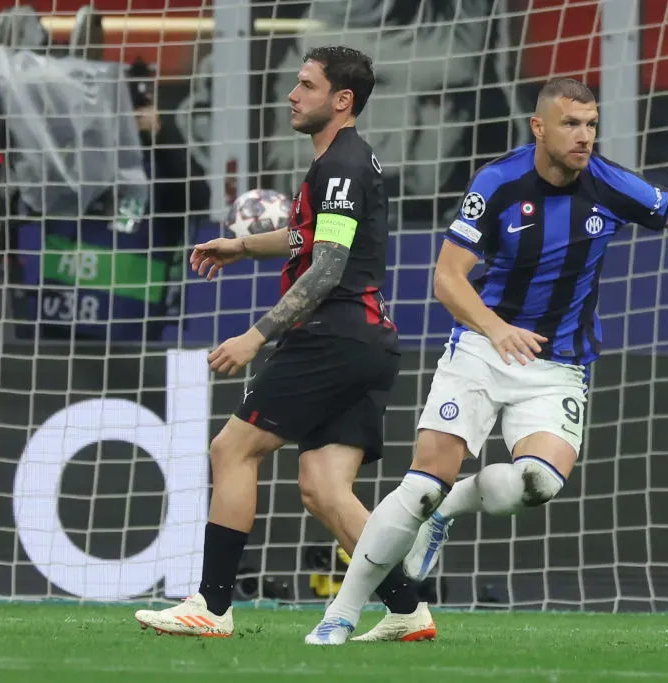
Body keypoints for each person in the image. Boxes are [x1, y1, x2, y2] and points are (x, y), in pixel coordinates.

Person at [304, 77, 668, 645]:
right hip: (482, 347)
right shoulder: (498, 183)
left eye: (591, 125)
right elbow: (447, 278)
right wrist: (496, 328)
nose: (584, 137)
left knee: (536, 484)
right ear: (539, 127)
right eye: (571, 125)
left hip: (557, 363)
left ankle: (448, 509)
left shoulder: (609, 185)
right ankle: (340, 616)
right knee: (421, 483)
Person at [134, 46, 435, 642]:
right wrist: (242, 247)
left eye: (306, 85)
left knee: (232, 450)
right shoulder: (343, 162)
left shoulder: (341, 166)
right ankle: (407, 608)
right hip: (367, 340)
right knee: (324, 488)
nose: (292, 96)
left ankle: (212, 605)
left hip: (332, 333)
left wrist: (254, 336)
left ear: (341, 100)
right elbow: (310, 238)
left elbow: (327, 267)